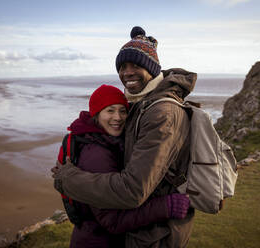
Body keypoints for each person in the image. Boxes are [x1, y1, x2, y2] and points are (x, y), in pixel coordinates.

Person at [52, 26, 197, 247]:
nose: (127, 72)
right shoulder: (139, 108)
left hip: (156, 236)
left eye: (136, 65)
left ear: (151, 68)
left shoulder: (161, 112)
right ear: (96, 116)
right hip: (142, 234)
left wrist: (67, 179)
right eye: (122, 66)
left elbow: (132, 190)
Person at [53, 84, 190, 248]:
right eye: (110, 111)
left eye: (122, 111)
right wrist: (166, 206)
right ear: (96, 114)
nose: (117, 117)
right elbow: (113, 221)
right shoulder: (97, 153)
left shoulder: (106, 141)